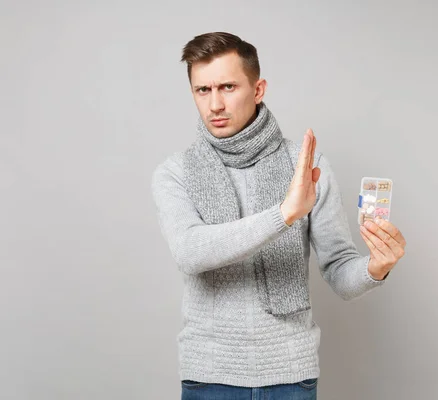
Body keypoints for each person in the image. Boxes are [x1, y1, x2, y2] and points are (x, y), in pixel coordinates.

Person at [151, 31, 407, 400]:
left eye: (227, 87)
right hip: (210, 376)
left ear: (258, 90)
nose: (215, 104)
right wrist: (284, 213)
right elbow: (191, 252)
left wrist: (376, 267)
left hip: (291, 376)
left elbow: (339, 270)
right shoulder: (176, 172)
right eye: (202, 90)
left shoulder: (305, 165)